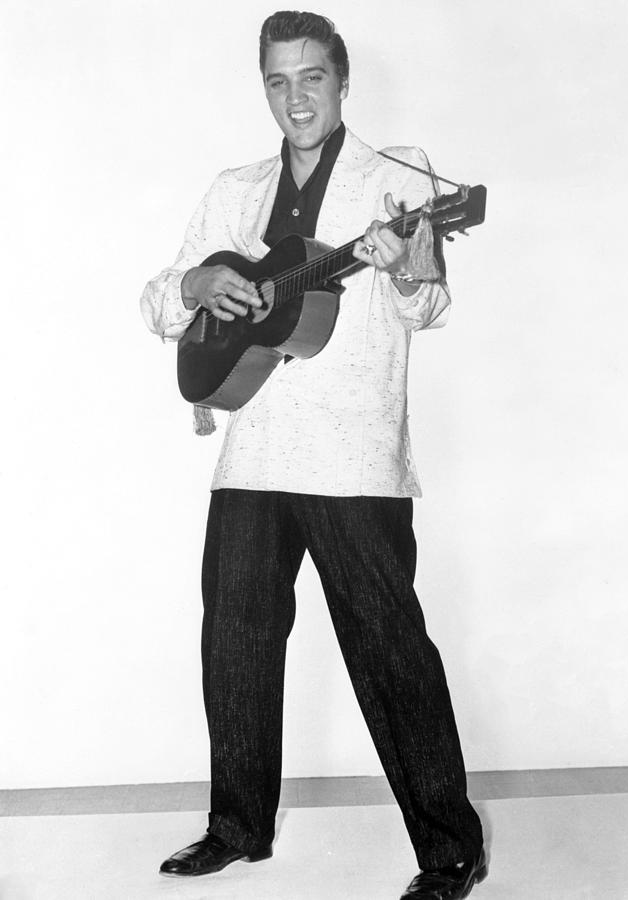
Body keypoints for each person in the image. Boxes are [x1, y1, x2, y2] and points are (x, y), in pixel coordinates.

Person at [140, 11, 486, 899]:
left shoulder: (395, 178)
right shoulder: (232, 188)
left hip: (352, 454)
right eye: (278, 81)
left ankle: (450, 851)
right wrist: (193, 283)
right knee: (237, 641)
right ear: (265, 88)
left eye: (313, 78)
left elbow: (428, 307)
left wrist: (408, 263)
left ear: (342, 81)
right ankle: (237, 828)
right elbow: (159, 305)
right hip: (252, 449)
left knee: (389, 648)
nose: (297, 97)